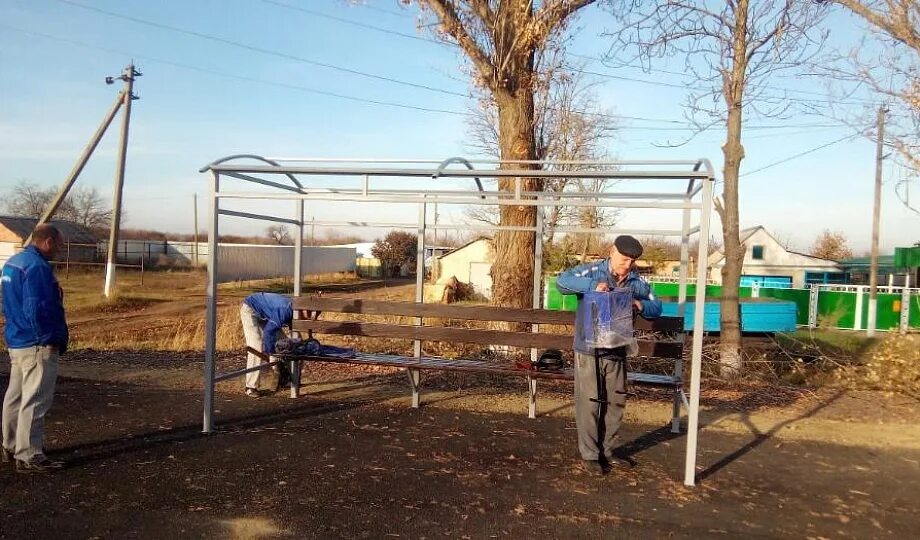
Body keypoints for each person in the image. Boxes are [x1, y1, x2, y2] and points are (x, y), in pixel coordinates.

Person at [556, 235, 662, 475]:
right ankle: (590, 455)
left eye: (632, 261)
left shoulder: (636, 282)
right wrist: (593, 287)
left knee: (615, 402)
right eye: (624, 259)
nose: (628, 265)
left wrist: (640, 304)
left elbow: (657, 307)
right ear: (612, 252)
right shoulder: (592, 271)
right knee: (590, 402)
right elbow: (562, 282)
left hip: (618, 348)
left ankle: (608, 451)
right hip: (589, 348)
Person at [1, 224, 68, 473]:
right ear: (48, 241)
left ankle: (10, 444)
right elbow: (38, 307)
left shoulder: (13, 263)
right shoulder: (38, 268)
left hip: (17, 338)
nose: (59, 250)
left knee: (16, 395)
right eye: (59, 245)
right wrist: (47, 338)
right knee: (36, 398)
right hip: (37, 342)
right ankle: (29, 454)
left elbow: (6, 302)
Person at [240, 292, 293, 397]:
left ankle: (284, 378)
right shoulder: (285, 310)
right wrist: (272, 354)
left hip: (265, 314)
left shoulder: (296, 310)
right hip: (250, 309)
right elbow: (269, 333)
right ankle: (250, 387)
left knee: (286, 344)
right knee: (256, 346)